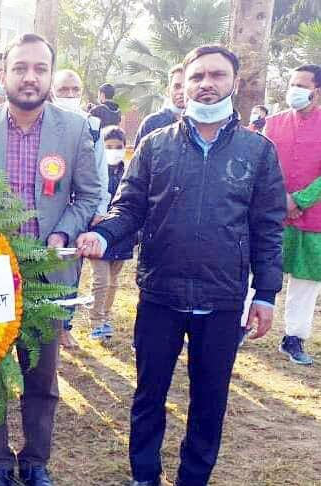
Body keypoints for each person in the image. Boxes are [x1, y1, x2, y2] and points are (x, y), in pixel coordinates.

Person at [76, 45, 286, 486]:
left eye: (217, 75)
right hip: (160, 295)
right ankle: (145, 475)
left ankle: (194, 477)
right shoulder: (154, 146)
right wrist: (104, 233)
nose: (206, 84)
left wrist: (265, 294)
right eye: (197, 77)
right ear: (184, 85)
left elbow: (268, 227)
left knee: (209, 399)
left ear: (234, 83)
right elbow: (129, 208)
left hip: (223, 299)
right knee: (149, 394)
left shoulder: (258, 152)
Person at [0, 33, 102, 486]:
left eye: (40, 68)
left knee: (41, 377)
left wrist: (64, 230)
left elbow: (91, 194)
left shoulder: (75, 129)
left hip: (48, 276)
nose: (29, 76)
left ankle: (37, 462)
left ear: (50, 76)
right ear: (3, 75)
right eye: (20, 68)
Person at [264, 63, 321, 366]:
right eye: (292, 84)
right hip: (271, 213)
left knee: (306, 279)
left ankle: (294, 337)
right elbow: (263, 164)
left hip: (315, 218)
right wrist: (280, 199)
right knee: (256, 268)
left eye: (302, 85)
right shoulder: (272, 123)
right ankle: (243, 325)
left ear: (317, 91)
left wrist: (299, 200)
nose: (294, 90)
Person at [50, 68, 110, 347]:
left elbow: (100, 172)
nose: (70, 95)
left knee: (71, 269)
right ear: (52, 92)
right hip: (46, 204)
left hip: (78, 209)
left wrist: (100, 207)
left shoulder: (93, 127)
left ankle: (64, 325)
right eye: (63, 90)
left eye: (75, 90)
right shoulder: (45, 122)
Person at [87, 126, 136, 341]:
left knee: (113, 280)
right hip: (97, 233)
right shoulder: (94, 172)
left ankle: (105, 317)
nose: (114, 151)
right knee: (101, 279)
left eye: (118, 147)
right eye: (109, 147)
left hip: (123, 235)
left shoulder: (130, 172)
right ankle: (96, 320)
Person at [134, 64, 186, 146]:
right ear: (168, 91)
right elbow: (138, 157)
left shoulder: (204, 124)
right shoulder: (152, 123)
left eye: (186, 87)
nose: (182, 91)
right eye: (177, 86)